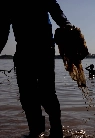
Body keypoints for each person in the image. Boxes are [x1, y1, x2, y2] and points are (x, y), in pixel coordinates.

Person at [0, 1, 73, 138]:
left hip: (44, 48)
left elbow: (55, 10)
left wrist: (66, 24)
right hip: (23, 50)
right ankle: (36, 131)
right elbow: (3, 29)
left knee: (47, 93)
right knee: (27, 95)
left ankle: (56, 131)